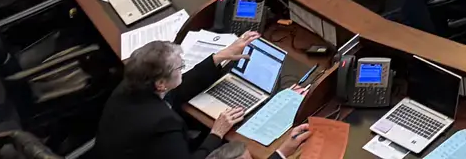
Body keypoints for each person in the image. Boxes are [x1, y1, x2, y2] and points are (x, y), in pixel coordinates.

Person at [98, 37, 311, 159]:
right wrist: (216, 133)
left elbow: (175, 92)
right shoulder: (162, 122)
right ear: (160, 83)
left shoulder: (130, 88)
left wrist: (217, 59)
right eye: (180, 67)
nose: (183, 68)